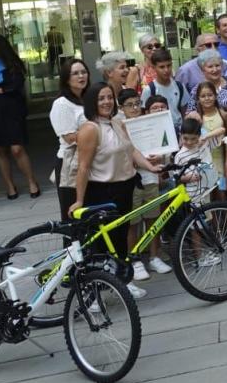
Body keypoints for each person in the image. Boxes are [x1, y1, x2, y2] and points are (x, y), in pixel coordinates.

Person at [69, 82, 162, 299]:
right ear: (92, 102)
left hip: (125, 186)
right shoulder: (90, 129)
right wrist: (79, 200)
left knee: (120, 238)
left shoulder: (118, 122)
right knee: (101, 244)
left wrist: (150, 166)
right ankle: (92, 293)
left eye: (109, 97)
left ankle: (123, 282)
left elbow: (132, 150)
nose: (106, 102)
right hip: (102, 191)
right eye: (101, 98)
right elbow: (83, 167)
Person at [0, 34, 40, 200]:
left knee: (16, 148)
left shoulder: (13, 63)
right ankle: (10, 186)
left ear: (0, 47)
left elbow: (14, 86)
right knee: (0, 149)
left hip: (12, 109)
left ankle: (31, 181)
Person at [125, 93, 172, 281]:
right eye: (129, 105)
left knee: (153, 217)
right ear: (122, 108)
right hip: (130, 180)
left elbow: (165, 149)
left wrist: (159, 158)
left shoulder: (149, 123)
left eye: (137, 104)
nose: (134, 108)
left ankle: (154, 256)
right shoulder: (121, 127)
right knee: (133, 222)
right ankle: (134, 259)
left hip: (151, 178)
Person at [51, 58, 89, 220]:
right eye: (75, 73)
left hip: (90, 162)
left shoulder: (89, 99)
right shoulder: (61, 104)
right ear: (66, 79)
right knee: (72, 216)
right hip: (70, 163)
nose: (81, 76)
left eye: (83, 72)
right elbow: (69, 138)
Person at [184, 81, 226, 195]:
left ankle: (225, 209)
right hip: (203, 159)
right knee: (207, 190)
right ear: (198, 98)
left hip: (221, 157)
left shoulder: (222, 113)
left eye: (210, 95)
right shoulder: (196, 117)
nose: (207, 98)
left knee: (222, 188)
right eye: (203, 96)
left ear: (216, 96)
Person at [140, 48, 186, 133]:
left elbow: (184, 111)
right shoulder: (149, 90)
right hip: (159, 130)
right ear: (154, 68)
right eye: (162, 67)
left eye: (169, 66)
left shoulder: (179, 86)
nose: (166, 70)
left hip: (179, 129)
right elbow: (144, 115)